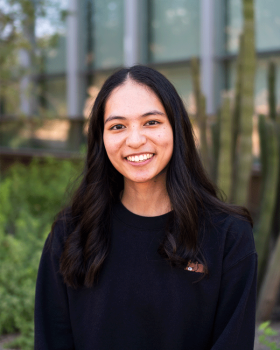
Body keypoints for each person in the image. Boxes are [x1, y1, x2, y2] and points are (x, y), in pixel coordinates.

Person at [34, 65, 257, 350]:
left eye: (151, 122)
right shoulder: (70, 234)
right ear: (101, 140)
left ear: (176, 128)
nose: (135, 139)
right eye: (117, 126)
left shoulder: (228, 236)